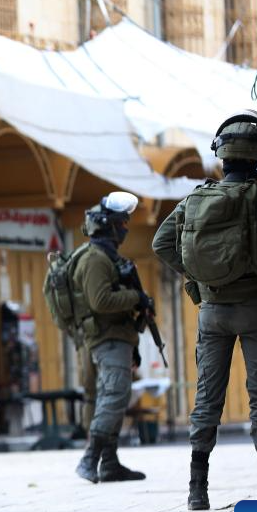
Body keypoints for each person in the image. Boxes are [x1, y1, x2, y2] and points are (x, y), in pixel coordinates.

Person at [152, 110, 257, 510]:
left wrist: (197, 276)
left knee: (207, 397)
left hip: (212, 311)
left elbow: (161, 243)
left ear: (221, 156)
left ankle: (197, 489)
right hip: (254, 309)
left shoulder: (194, 200)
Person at [72, 191, 147, 484]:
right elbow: (100, 301)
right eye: (121, 223)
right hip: (106, 339)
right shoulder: (95, 259)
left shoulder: (109, 257)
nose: (125, 228)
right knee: (113, 396)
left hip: (118, 337)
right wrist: (135, 297)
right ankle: (90, 459)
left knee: (115, 397)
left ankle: (110, 463)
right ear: (108, 226)